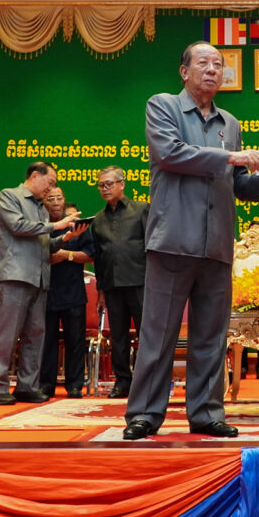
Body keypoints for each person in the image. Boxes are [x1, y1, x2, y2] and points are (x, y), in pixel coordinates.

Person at [123, 41, 259, 440]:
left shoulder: (231, 122)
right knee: (159, 334)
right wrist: (231, 158)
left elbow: (238, 183)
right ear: (184, 71)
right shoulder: (163, 106)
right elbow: (170, 154)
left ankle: (207, 413)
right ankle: (144, 414)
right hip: (173, 240)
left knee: (211, 335)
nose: (213, 70)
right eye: (204, 63)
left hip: (217, 243)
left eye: (218, 65)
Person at [0, 162, 84, 406]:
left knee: (35, 336)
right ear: (35, 175)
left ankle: (27, 386)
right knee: (8, 334)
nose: (51, 188)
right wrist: (56, 225)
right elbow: (18, 226)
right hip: (17, 275)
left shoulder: (41, 208)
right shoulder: (9, 196)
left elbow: (44, 244)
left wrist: (65, 237)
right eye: (50, 182)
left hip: (40, 278)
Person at [90, 166, 149, 399]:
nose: (105, 189)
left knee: (147, 334)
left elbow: (152, 245)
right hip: (112, 285)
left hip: (140, 282)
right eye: (101, 185)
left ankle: (148, 381)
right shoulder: (98, 219)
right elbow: (98, 257)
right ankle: (123, 381)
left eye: (109, 184)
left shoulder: (141, 209)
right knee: (118, 337)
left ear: (122, 184)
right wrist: (100, 291)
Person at [39, 188, 95, 399]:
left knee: (75, 341)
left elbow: (90, 255)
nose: (55, 202)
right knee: (47, 342)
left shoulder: (76, 225)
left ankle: (74, 385)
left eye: (59, 198)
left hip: (73, 292)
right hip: (46, 291)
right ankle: (46, 385)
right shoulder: (39, 226)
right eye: (50, 198)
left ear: (64, 201)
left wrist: (65, 255)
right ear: (43, 202)